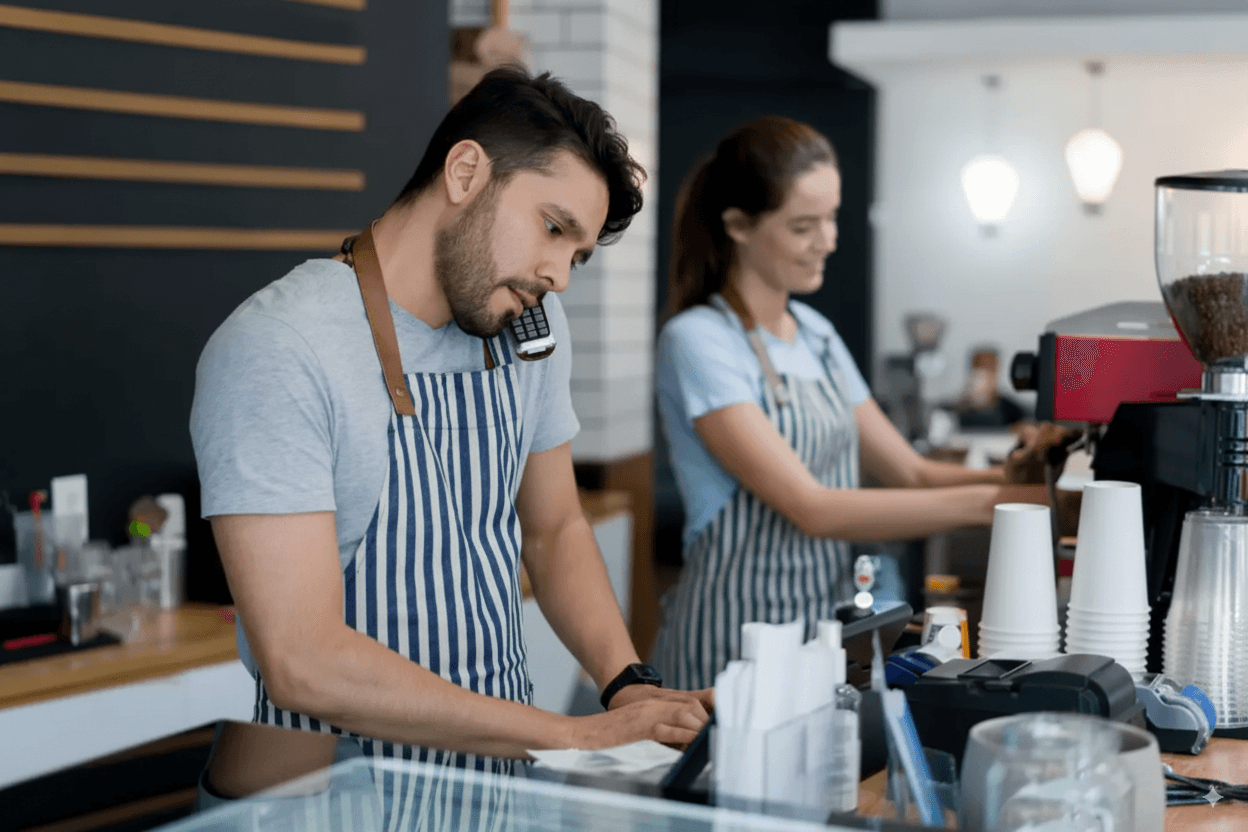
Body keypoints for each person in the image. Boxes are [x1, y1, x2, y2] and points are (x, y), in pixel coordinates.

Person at [191, 67, 710, 772]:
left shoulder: (530, 325)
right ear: (465, 172)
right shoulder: (281, 345)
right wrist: (570, 735)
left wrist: (625, 687)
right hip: (337, 792)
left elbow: (555, 530)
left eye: (576, 254)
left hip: (497, 777)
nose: (558, 274)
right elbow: (302, 661)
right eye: (552, 228)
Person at [650, 116, 1071, 690]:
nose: (828, 241)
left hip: (821, 635)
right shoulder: (700, 341)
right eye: (804, 225)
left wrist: (1028, 479)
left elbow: (913, 471)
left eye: (831, 218)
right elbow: (814, 508)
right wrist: (1015, 504)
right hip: (730, 645)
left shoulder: (817, 336)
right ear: (738, 226)